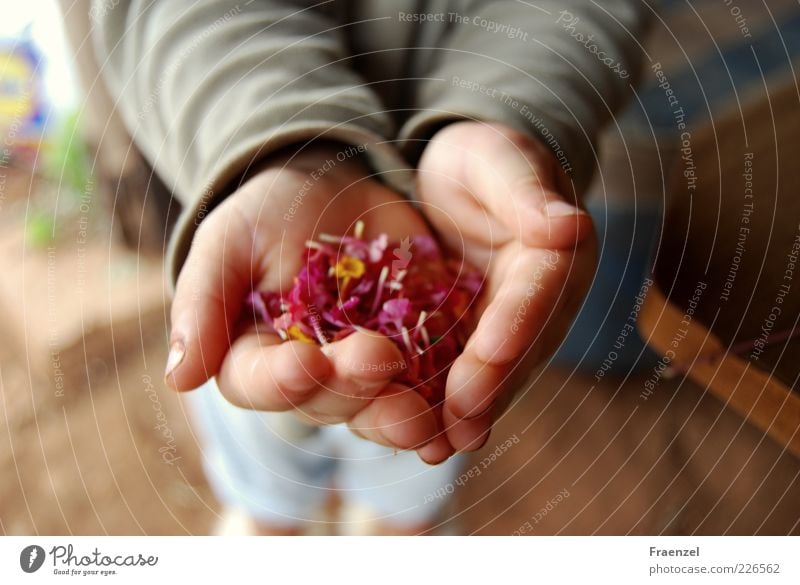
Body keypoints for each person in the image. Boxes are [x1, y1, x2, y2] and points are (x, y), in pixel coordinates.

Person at [92, 0, 647, 534]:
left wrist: (505, 108)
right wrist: (276, 143)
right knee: (251, 417)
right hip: (236, 172)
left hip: (446, 200)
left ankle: (397, 521)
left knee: (426, 414)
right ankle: (268, 516)